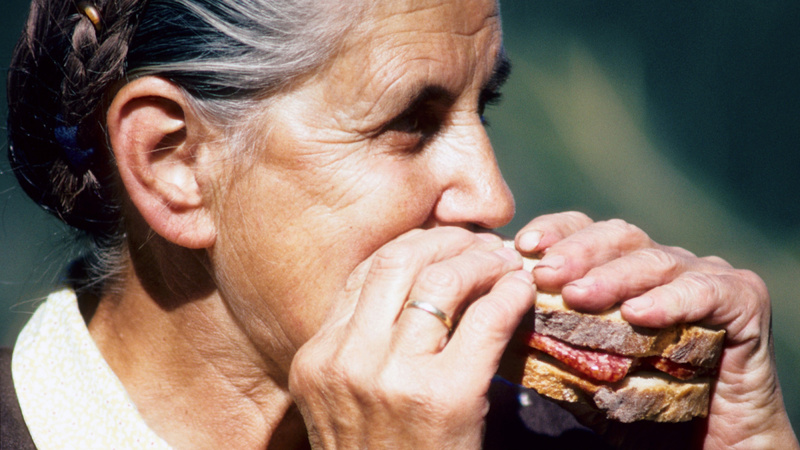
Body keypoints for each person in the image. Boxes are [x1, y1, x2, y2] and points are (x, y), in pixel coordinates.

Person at [1, 0, 797, 448]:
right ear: (173, 163)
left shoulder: (552, 432)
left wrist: (748, 442)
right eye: (409, 123)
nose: (492, 196)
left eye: (482, 107)